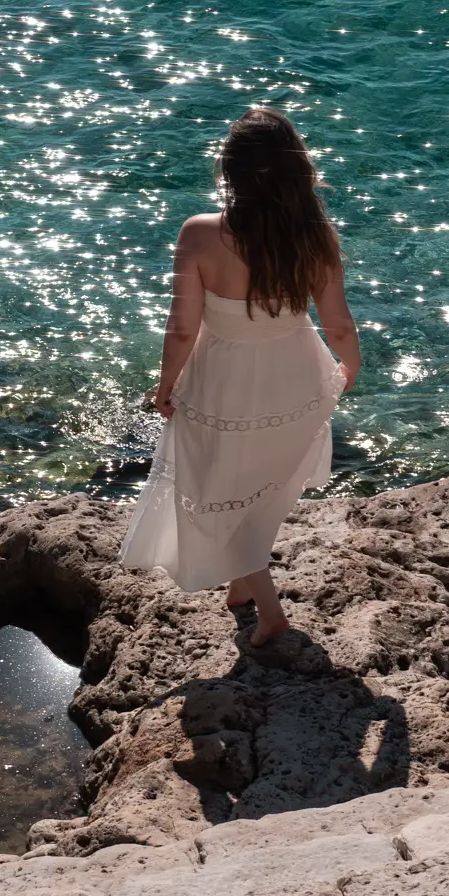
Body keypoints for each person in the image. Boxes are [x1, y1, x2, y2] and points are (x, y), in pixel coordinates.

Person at [120, 106, 361, 646]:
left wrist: (164, 386)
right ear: (298, 169)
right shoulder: (316, 236)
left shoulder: (201, 234)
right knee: (259, 485)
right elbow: (338, 321)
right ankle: (241, 584)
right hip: (295, 373)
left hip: (223, 376)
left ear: (228, 172)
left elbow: (182, 329)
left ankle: (271, 612)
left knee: (213, 490)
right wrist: (350, 366)